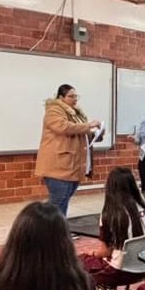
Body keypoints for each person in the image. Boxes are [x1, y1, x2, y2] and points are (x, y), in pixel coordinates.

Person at [80, 167, 145, 285]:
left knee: (74, 263)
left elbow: (105, 252)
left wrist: (92, 253)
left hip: (120, 273)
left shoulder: (110, 215)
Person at [35, 84, 102, 216]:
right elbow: (64, 127)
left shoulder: (76, 113)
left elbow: (81, 131)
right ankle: (51, 227)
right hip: (59, 167)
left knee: (63, 202)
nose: (75, 99)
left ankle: (59, 226)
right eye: (71, 96)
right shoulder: (53, 110)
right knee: (58, 203)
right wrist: (89, 125)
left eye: (76, 96)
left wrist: (96, 134)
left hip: (73, 167)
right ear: (61, 97)